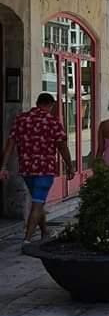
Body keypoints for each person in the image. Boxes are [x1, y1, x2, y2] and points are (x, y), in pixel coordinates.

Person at [0, 92, 74, 242]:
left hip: (27, 168)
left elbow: (10, 144)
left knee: (37, 201)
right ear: (50, 105)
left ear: (37, 102)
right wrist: (70, 165)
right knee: (38, 202)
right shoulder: (52, 122)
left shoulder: (21, 119)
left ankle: (45, 231)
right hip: (45, 168)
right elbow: (62, 146)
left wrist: (3, 165)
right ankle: (27, 239)